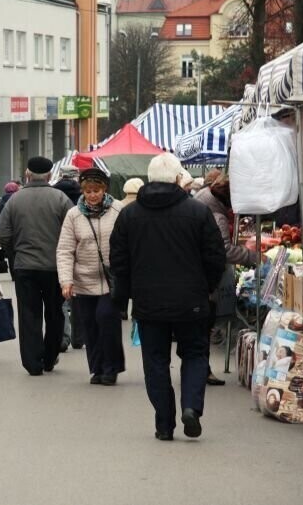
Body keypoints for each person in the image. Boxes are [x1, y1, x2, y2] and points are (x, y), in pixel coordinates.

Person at [110, 152, 225, 441]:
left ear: (150, 179)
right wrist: (207, 288)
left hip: (149, 304)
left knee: (156, 361)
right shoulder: (198, 212)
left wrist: (122, 300)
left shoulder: (129, 215)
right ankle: (191, 407)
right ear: (177, 179)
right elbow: (215, 257)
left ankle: (164, 424)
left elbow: (119, 262)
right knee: (195, 354)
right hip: (192, 301)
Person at [0, 157, 73, 376]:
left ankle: (32, 363)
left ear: (27, 175)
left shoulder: (15, 199)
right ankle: (50, 357)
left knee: (29, 314)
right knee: (55, 312)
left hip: (24, 266)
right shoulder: (60, 199)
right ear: (50, 176)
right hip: (54, 267)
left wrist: (15, 251)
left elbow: (2, 231)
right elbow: (72, 229)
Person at [57, 167, 125, 385]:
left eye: (96, 190)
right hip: (84, 279)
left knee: (106, 319)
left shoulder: (118, 210)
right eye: (88, 191)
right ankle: (97, 368)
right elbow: (65, 249)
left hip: (110, 280)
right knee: (90, 326)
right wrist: (66, 280)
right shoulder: (74, 215)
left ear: (104, 189)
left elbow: (128, 243)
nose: (92, 195)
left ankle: (111, 367)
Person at [196, 176, 259, 386]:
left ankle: (199, 369)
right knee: (204, 324)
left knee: (199, 328)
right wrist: (254, 257)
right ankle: (201, 371)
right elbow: (224, 250)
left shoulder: (202, 197)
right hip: (206, 277)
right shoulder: (217, 214)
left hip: (196, 274)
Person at [53, 165, 83, 352]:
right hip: (81, 249)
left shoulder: (53, 193)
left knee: (62, 295)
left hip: (59, 248)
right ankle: (78, 337)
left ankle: (64, 337)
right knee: (79, 296)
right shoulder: (84, 194)